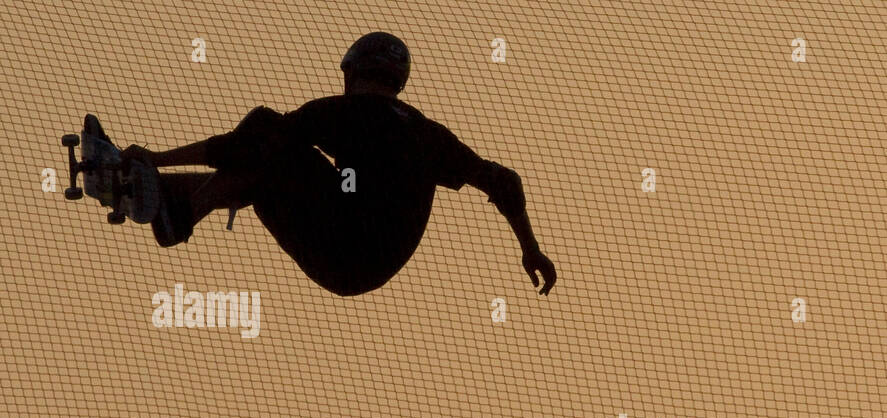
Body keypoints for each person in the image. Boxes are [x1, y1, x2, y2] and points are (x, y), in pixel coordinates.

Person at [100, 31, 556, 297]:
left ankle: (175, 210)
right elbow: (505, 181)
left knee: (265, 131)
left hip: (341, 240)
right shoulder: (428, 134)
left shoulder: (341, 112)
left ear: (352, 72)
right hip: (369, 265)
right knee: (273, 172)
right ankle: (166, 196)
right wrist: (530, 248)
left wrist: (155, 154)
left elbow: (249, 143)